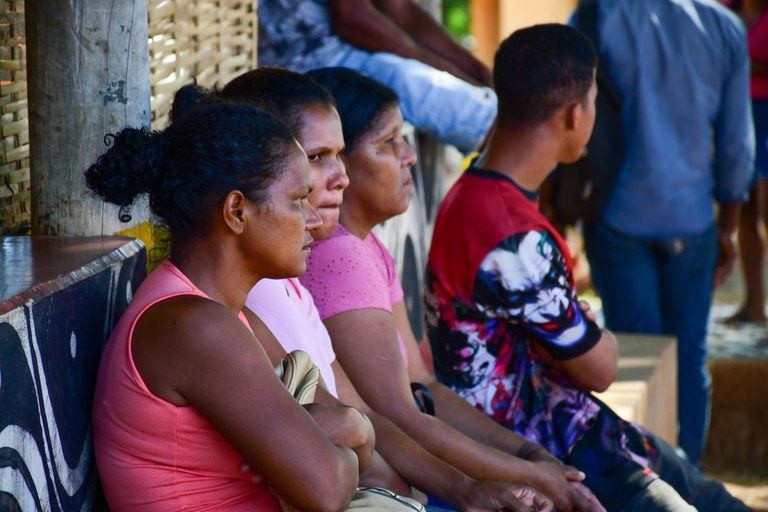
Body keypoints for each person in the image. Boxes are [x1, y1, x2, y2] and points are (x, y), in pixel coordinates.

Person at [425, 23, 752, 512]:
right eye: (594, 101)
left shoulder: (472, 193)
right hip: (560, 455)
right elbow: (601, 368)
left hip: (581, 432)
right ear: (575, 114)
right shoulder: (515, 238)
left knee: (713, 497)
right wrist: (598, 332)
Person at [216, 67, 556, 512]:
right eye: (317, 157)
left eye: (337, 155)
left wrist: (483, 482)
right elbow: (356, 442)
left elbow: (367, 416)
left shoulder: (292, 281)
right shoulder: (283, 281)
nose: (340, 176)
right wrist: (505, 476)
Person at [298, 65, 608, 512]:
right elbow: (400, 416)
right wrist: (528, 474)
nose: (408, 156)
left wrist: (528, 455)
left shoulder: (365, 246)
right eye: (388, 143)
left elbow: (424, 386)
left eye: (403, 139)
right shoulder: (339, 256)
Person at [87, 100, 375, 510]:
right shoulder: (193, 326)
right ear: (237, 211)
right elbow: (326, 489)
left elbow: (345, 428)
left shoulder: (228, 315)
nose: (312, 219)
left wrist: (352, 427)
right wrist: (347, 433)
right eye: (298, 200)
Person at [576, 0, 754, 465]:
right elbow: (737, 145)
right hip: (693, 219)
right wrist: (729, 227)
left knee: (636, 360)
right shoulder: (724, 27)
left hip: (618, 215)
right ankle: (687, 472)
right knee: (689, 359)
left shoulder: (602, 14)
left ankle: (648, 478)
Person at [256, 0, 497, 153]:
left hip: (341, 52)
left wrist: (474, 70)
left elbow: (401, 10)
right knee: (491, 122)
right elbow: (353, 20)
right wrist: (450, 74)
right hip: (308, 63)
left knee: (499, 115)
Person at [724, 0, 768, 325]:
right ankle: (754, 303)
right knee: (746, 210)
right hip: (739, 113)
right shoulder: (725, 9)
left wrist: (743, 64)